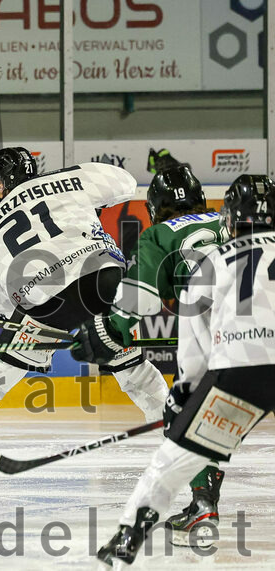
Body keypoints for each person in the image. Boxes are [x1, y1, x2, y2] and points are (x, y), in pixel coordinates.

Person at [0, 147, 170, 466]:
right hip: (107, 284)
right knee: (134, 370)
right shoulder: (69, 179)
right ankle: (179, 432)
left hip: (48, 304)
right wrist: (75, 183)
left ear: (4, 182)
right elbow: (126, 182)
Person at [95, 174, 275, 568]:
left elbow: (186, 346)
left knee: (185, 440)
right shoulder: (222, 238)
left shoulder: (195, 253)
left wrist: (107, 333)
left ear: (230, 218)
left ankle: (135, 533)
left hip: (242, 364)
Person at [71, 165, 229, 547]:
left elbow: (133, 306)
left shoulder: (159, 234)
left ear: (155, 208)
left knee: (184, 412)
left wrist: (100, 336)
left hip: (224, 340)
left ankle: (203, 502)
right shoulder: (232, 220)